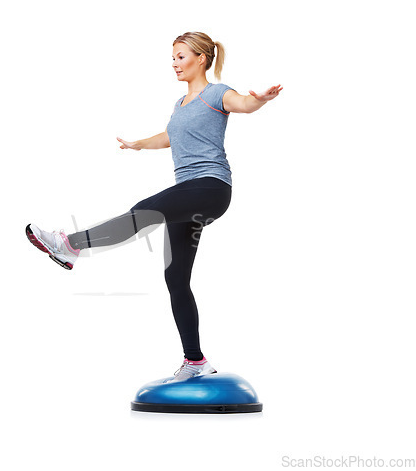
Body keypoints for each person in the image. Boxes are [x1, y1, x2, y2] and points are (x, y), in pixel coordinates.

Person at [26, 31, 283, 381]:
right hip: (188, 194)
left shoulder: (217, 93)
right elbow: (169, 136)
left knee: (145, 209)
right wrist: (139, 145)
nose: (174, 63)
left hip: (210, 188)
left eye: (180, 56)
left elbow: (243, 104)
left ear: (201, 59)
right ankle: (195, 362)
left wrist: (261, 100)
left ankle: (69, 245)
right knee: (176, 278)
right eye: (173, 57)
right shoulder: (180, 104)